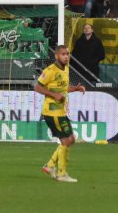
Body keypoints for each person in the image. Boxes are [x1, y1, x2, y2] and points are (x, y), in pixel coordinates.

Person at [35, 45, 86, 183]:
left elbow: (63, 88)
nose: (66, 56)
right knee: (66, 140)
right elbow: (37, 87)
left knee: (71, 139)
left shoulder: (66, 69)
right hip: (51, 112)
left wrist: (75, 88)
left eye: (68, 54)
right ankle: (62, 174)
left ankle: (50, 166)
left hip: (61, 112)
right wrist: (53, 95)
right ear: (57, 56)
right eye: (63, 54)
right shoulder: (50, 70)